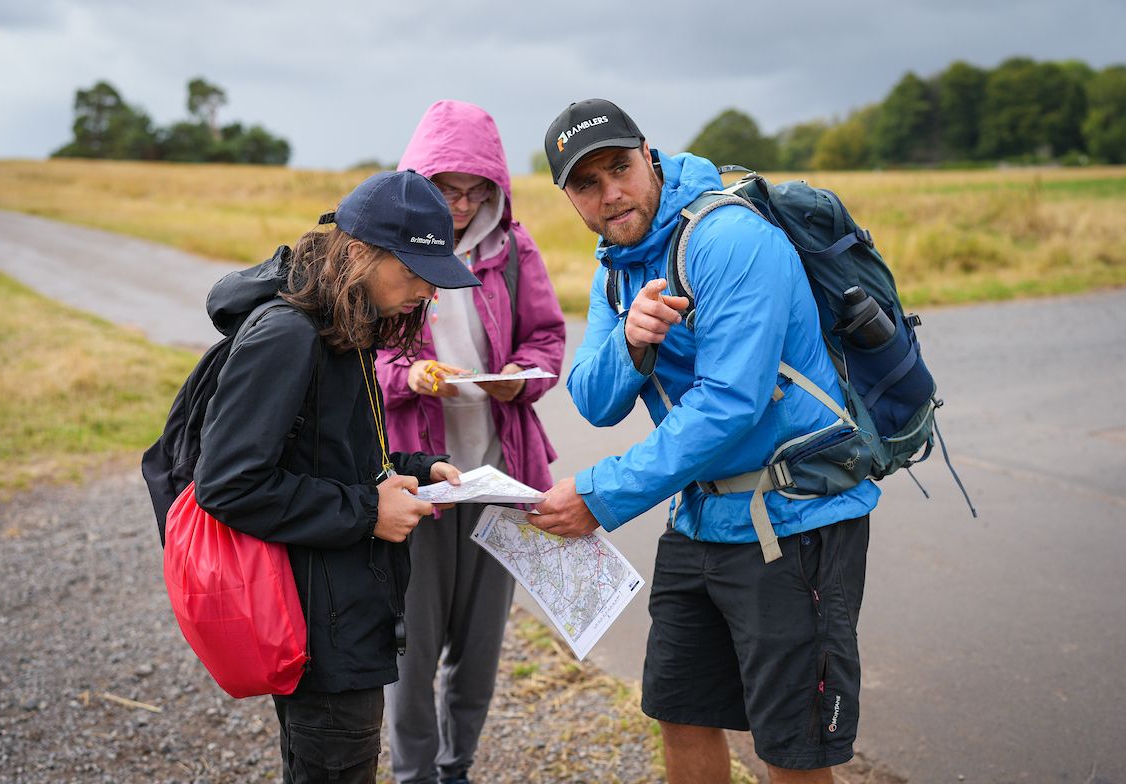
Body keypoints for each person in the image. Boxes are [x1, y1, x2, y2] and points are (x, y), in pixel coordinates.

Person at [530, 99, 881, 783]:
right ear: (567, 196)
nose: (610, 194)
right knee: (681, 714)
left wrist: (600, 495)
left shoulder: (729, 239)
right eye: (587, 184)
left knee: (791, 748)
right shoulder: (615, 267)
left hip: (794, 521)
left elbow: (730, 404)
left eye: (620, 168)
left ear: (649, 154)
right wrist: (631, 340)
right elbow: (593, 401)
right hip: (698, 519)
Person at [192, 170, 479, 784]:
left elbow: (325, 456)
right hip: (318, 631)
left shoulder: (344, 323)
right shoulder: (288, 334)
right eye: (413, 270)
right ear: (358, 252)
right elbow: (228, 484)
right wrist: (369, 512)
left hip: (345, 613)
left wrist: (413, 469)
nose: (427, 290)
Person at [376, 100, 566, 784]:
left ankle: (456, 769)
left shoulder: (513, 249)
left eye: (475, 192)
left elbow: (547, 338)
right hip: (418, 486)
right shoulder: (385, 252)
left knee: (480, 649)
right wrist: (409, 374)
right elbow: (357, 350)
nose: (460, 206)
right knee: (410, 651)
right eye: (446, 190)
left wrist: (521, 377)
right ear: (418, 181)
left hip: (498, 477)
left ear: (496, 189)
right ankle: (414, 775)